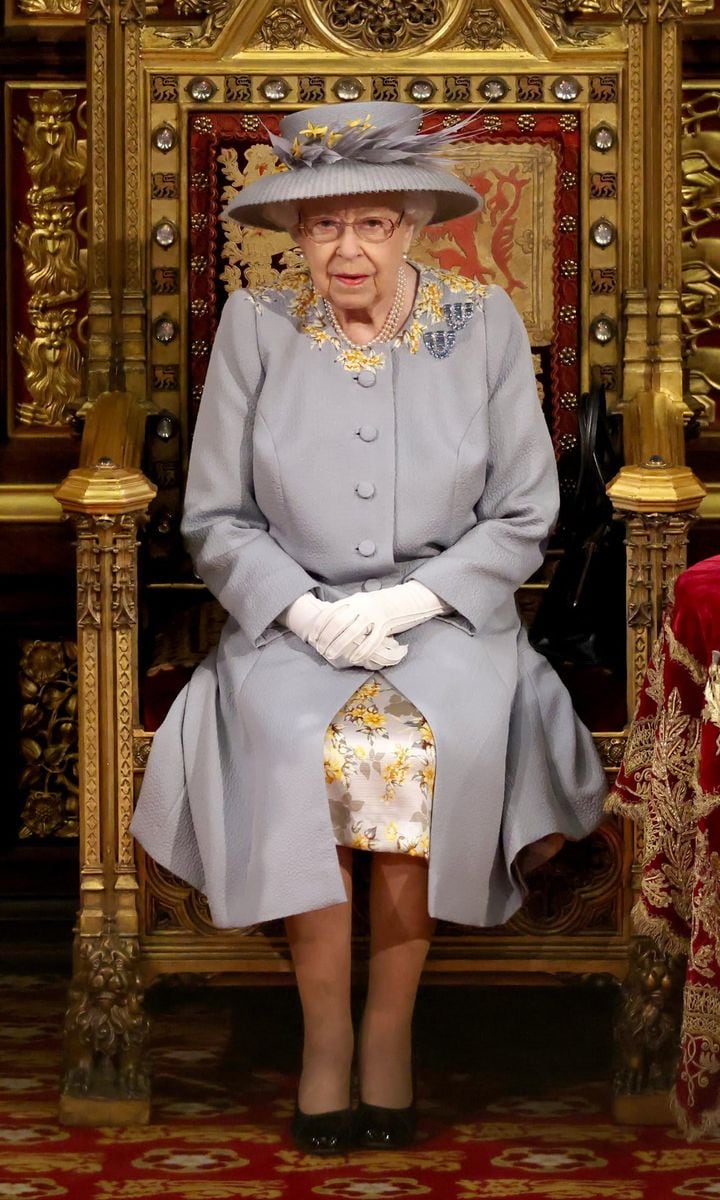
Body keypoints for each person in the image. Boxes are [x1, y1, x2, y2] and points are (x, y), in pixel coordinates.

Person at [130, 101, 607, 1155]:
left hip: (450, 623)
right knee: (305, 746)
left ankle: (387, 1034)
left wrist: (414, 601)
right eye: (321, 226)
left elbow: (527, 511)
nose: (348, 249)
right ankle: (323, 1043)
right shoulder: (256, 328)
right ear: (295, 237)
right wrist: (299, 608)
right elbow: (214, 516)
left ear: (412, 226)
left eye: (373, 224)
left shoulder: (480, 322)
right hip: (285, 624)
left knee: (417, 751)